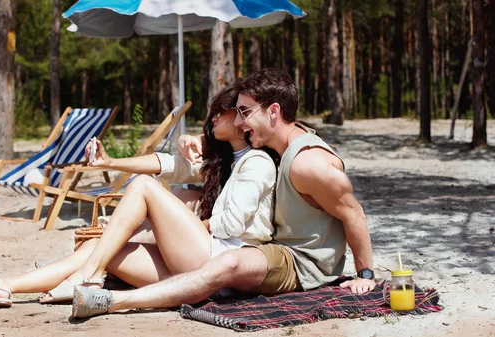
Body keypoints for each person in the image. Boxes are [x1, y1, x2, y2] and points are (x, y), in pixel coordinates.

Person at [0, 84, 279, 314]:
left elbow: (231, 225)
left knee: (145, 188)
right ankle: (5, 286)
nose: (214, 119)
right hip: (198, 266)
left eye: (224, 114)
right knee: (102, 247)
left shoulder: (256, 162)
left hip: (220, 265)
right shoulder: (225, 161)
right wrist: (108, 163)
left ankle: (87, 277)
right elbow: (167, 165)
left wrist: (191, 221)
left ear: (241, 123)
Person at [72, 68, 375, 317]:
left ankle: (112, 302)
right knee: (131, 244)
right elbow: (206, 157)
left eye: (244, 112)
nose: (241, 122)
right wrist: (195, 140)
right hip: (276, 246)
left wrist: (364, 275)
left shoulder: (309, 164)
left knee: (229, 262)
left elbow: (353, 213)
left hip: (301, 263)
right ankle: (83, 284)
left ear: (273, 111)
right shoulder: (275, 144)